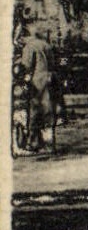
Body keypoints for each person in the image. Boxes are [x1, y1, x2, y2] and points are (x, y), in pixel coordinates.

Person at [19, 25, 57, 154]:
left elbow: (26, 66)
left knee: (35, 111)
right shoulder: (46, 45)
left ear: (25, 36)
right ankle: (49, 144)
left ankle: (33, 143)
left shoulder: (29, 47)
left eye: (21, 38)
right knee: (48, 111)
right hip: (50, 80)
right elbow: (53, 63)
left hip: (37, 82)